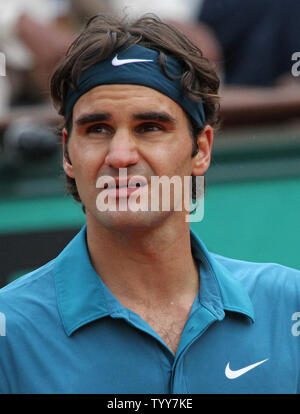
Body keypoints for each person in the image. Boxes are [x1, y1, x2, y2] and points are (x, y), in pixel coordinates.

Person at [0, 13, 300, 395]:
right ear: (67, 153)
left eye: (150, 127)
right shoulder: (9, 329)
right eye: (98, 129)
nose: (121, 154)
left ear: (201, 149)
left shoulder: (290, 304)